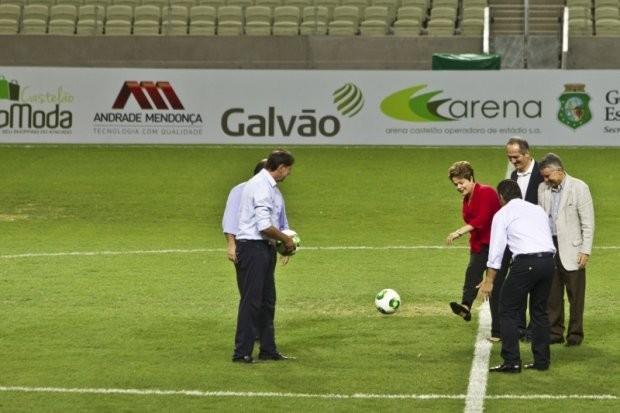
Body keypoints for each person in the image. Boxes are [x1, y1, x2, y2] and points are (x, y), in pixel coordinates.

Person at [479, 180, 556, 373]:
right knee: (539, 312)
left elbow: (496, 252)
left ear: (501, 197)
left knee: (507, 309)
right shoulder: (537, 210)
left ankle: (511, 361)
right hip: (548, 262)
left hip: (525, 264)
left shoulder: (502, 214)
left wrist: (489, 280)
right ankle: (542, 361)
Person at [232, 149, 296, 363]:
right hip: (252, 248)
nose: (289, 174)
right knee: (252, 301)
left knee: (268, 301)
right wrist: (286, 240)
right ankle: (241, 352)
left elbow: (275, 226)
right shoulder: (260, 186)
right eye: (288, 170)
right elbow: (264, 226)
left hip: (264, 248)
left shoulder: (272, 189)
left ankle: (268, 350)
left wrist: (283, 243)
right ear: (280, 168)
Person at [538, 153, 594, 346]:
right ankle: (555, 332)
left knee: (575, 296)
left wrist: (585, 250)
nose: (545, 180)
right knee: (552, 294)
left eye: (548, 176)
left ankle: (575, 335)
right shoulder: (542, 188)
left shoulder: (579, 187)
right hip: (549, 248)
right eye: (543, 176)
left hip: (572, 250)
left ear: (560, 171)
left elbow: (588, 222)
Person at [446, 161, 501, 325]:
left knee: (495, 287)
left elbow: (482, 219)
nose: (458, 187)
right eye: (456, 184)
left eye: (461, 183)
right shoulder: (466, 198)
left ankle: (499, 328)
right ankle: (465, 307)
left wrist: (459, 232)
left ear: (471, 178)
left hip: (495, 245)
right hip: (479, 245)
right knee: (472, 275)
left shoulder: (486, 192)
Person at [504, 137, 545, 342]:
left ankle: (533, 330)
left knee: (537, 290)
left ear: (527, 154)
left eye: (516, 157)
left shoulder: (541, 174)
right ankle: (519, 327)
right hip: (519, 240)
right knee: (518, 285)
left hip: (538, 239)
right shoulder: (513, 175)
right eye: (510, 157)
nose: (513, 161)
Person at [222, 159, 290, 267]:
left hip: (269, 247)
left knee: (266, 283)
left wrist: (285, 245)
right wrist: (231, 244)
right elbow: (230, 218)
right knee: (252, 282)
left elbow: (281, 221)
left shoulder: (276, 193)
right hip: (249, 246)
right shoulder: (240, 190)